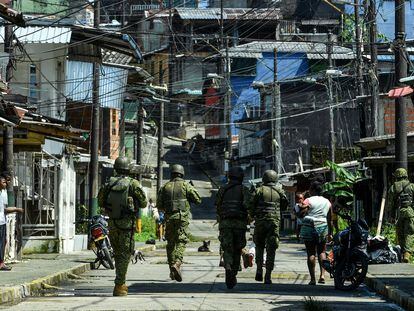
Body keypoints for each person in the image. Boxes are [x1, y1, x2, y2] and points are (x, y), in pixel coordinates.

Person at [98, 156, 147, 296]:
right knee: (125, 254)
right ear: (128, 169)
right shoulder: (133, 184)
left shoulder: (109, 183)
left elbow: (100, 201)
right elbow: (143, 203)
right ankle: (119, 285)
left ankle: (120, 282)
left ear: (116, 168)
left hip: (112, 223)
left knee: (118, 253)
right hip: (127, 225)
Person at [157, 164, 201, 282]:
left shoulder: (165, 186)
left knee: (170, 244)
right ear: (182, 173)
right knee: (181, 241)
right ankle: (177, 263)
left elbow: (159, 205)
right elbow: (198, 199)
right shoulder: (186, 186)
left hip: (169, 218)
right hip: (182, 218)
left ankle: (172, 269)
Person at [249, 170, 289, 284]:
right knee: (271, 249)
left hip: (260, 222)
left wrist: (252, 215)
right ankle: (268, 275)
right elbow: (285, 206)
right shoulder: (279, 191)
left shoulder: (259, 190)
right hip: (274, 223)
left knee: (259, 246)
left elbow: (252, 206)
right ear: (275, 179)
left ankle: (259, 270)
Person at [215, 166, 249, 289]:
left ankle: (228, 266)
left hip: (225, 224)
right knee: (237, 249)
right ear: (241, 177)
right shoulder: (244, 190)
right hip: (240, 225)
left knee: (227, 248)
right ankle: (233, 272)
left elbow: (218, 206)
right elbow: (248, 205)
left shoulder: (222, 189)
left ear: (229, 176)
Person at [299, 181, 332, 285]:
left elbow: (301, 212)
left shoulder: (308, 200)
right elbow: (330, 218)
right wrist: (330, 232)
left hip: (309, 227)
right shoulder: (327, 202)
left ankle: (313, 279)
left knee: (311, 253)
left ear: (312, 190)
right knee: (322, 252)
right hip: (322, 226)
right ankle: (322, 276)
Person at [386, 168, 414, 263]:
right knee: (409, 233)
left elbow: (390, 204)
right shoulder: (412, 186)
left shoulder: (393, 187)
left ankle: (402, 253)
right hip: (410, 212)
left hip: (398, 213)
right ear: (406, 175)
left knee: (400, 233)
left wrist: (391, 216)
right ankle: (407, 253)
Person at [0, 173, 23, 271]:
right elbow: (5, 210)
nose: (7, 183)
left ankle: (1, 262)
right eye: (4, 181)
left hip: (2, 221)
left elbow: (4, 208)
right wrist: (16, 209)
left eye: (8, 181)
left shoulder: (3, 192)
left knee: (3, 242)